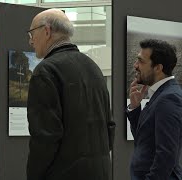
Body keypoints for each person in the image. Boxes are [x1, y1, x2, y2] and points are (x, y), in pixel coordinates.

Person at [26, 9, 114, 180]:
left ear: (47, 31)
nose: (30, 41)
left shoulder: (46, 71)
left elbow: (45, 137)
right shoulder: (93, 68)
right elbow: (109, 127)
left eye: (31, 34)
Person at [126, 39, 182, 180]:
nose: (135, 65)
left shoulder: (168, 98)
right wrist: (135, 108)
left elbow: (166, 156)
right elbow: (143, 140)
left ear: (158, 68)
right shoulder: (161, 94)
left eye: (141, 61)